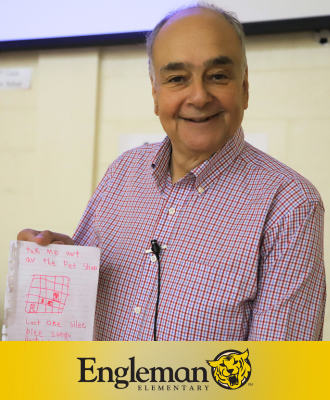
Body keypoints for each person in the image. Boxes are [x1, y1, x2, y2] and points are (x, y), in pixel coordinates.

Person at [18, 3, 326, 341]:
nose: (198, 96)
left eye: (218, 76)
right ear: (155, 93)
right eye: (177, 78)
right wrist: (55, 262)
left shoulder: (290, 202)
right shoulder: (123, 172)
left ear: (244, 87)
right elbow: (81, 302)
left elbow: (277, 376)